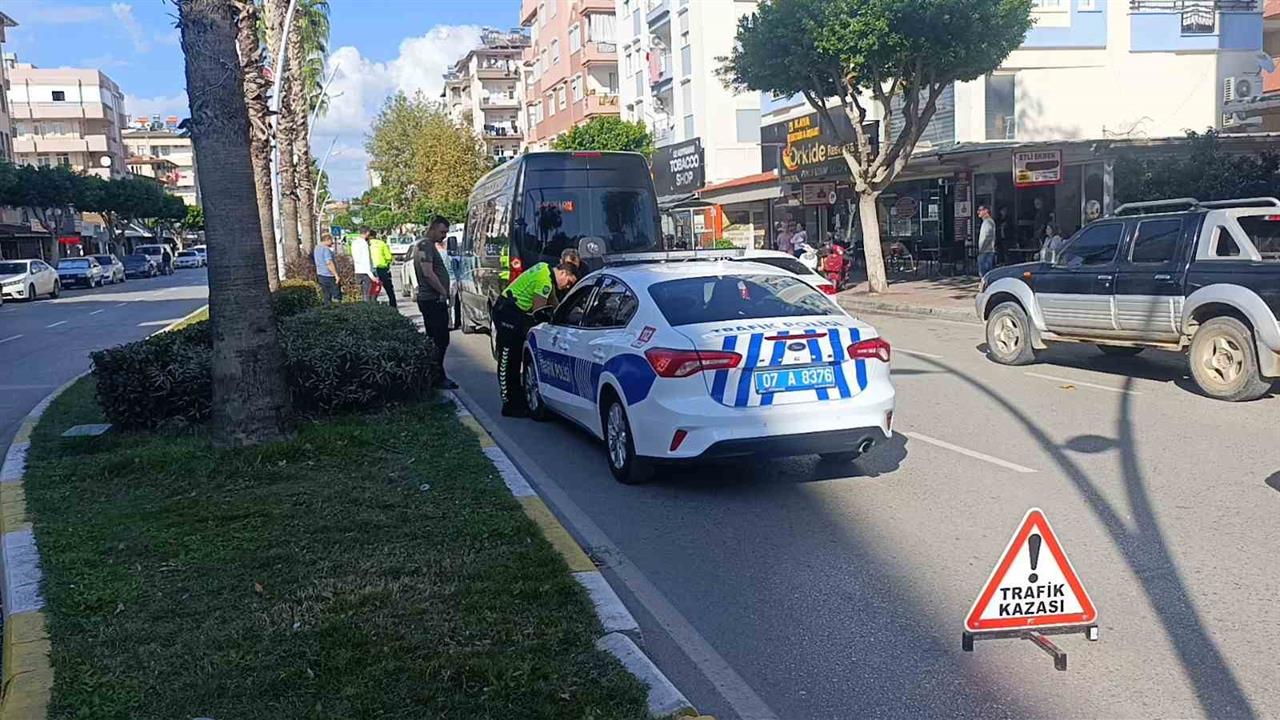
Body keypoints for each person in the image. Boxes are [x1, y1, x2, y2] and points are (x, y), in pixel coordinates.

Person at [493, 260, 579, 417]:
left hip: (512, 312)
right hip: (507, 312)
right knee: (508, 360)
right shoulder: (544, 280)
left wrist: (564, 314)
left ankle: (517, 400)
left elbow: (553, 302)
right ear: (563, 273)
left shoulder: (546, 270)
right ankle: (508, 404)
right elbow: (539, 310)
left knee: (516, 358)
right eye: (569, 283)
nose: (568, 287)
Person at [412, 217, 456, 389]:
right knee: (439, 339)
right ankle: (437, 376)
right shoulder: (425, 246)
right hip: (432, 300)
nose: (444, 236)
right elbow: (428, 272)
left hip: (433, 299)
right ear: (433, 228)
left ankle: (437, 374)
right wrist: (443, 291)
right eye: (442, 232)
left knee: (439, 339)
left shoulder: (428, 245)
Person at [369, 230, 396, 308]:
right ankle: (393, 306)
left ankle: (372, 306)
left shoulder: (367, 244)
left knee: (372, 290)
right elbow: (389, 257)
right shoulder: (382, 244)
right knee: (389, 290)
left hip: (371, 270)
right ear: (375, 235)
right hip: (382, 269)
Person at [313, 233, 341, 303]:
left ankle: (327, 310)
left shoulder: (317, 248)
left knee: (326, 296)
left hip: (320, 275)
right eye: (331, 240)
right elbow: (329, 263)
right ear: (327, 240)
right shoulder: (325, 249)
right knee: (336, 296)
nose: (332, 242)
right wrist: (336, 275)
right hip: (329, 275)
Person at [351, 230, 376, 302]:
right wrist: (372, 275)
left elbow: (356, 258)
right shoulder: (364, 244)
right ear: (367, 233)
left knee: (361, 294)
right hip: (366, 273)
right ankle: (368, 310)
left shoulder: (354, 242)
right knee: (367, 295)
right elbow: (366, 261)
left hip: (358, 271)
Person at [977, 205, 997, 277]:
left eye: (980, 210)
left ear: (986, 211)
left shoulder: (988, 222)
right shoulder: (987, 222)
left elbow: (987, 237)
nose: (978, 212)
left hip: (986, 251)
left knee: (985, 274)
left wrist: (981, 249)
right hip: (987, 250)